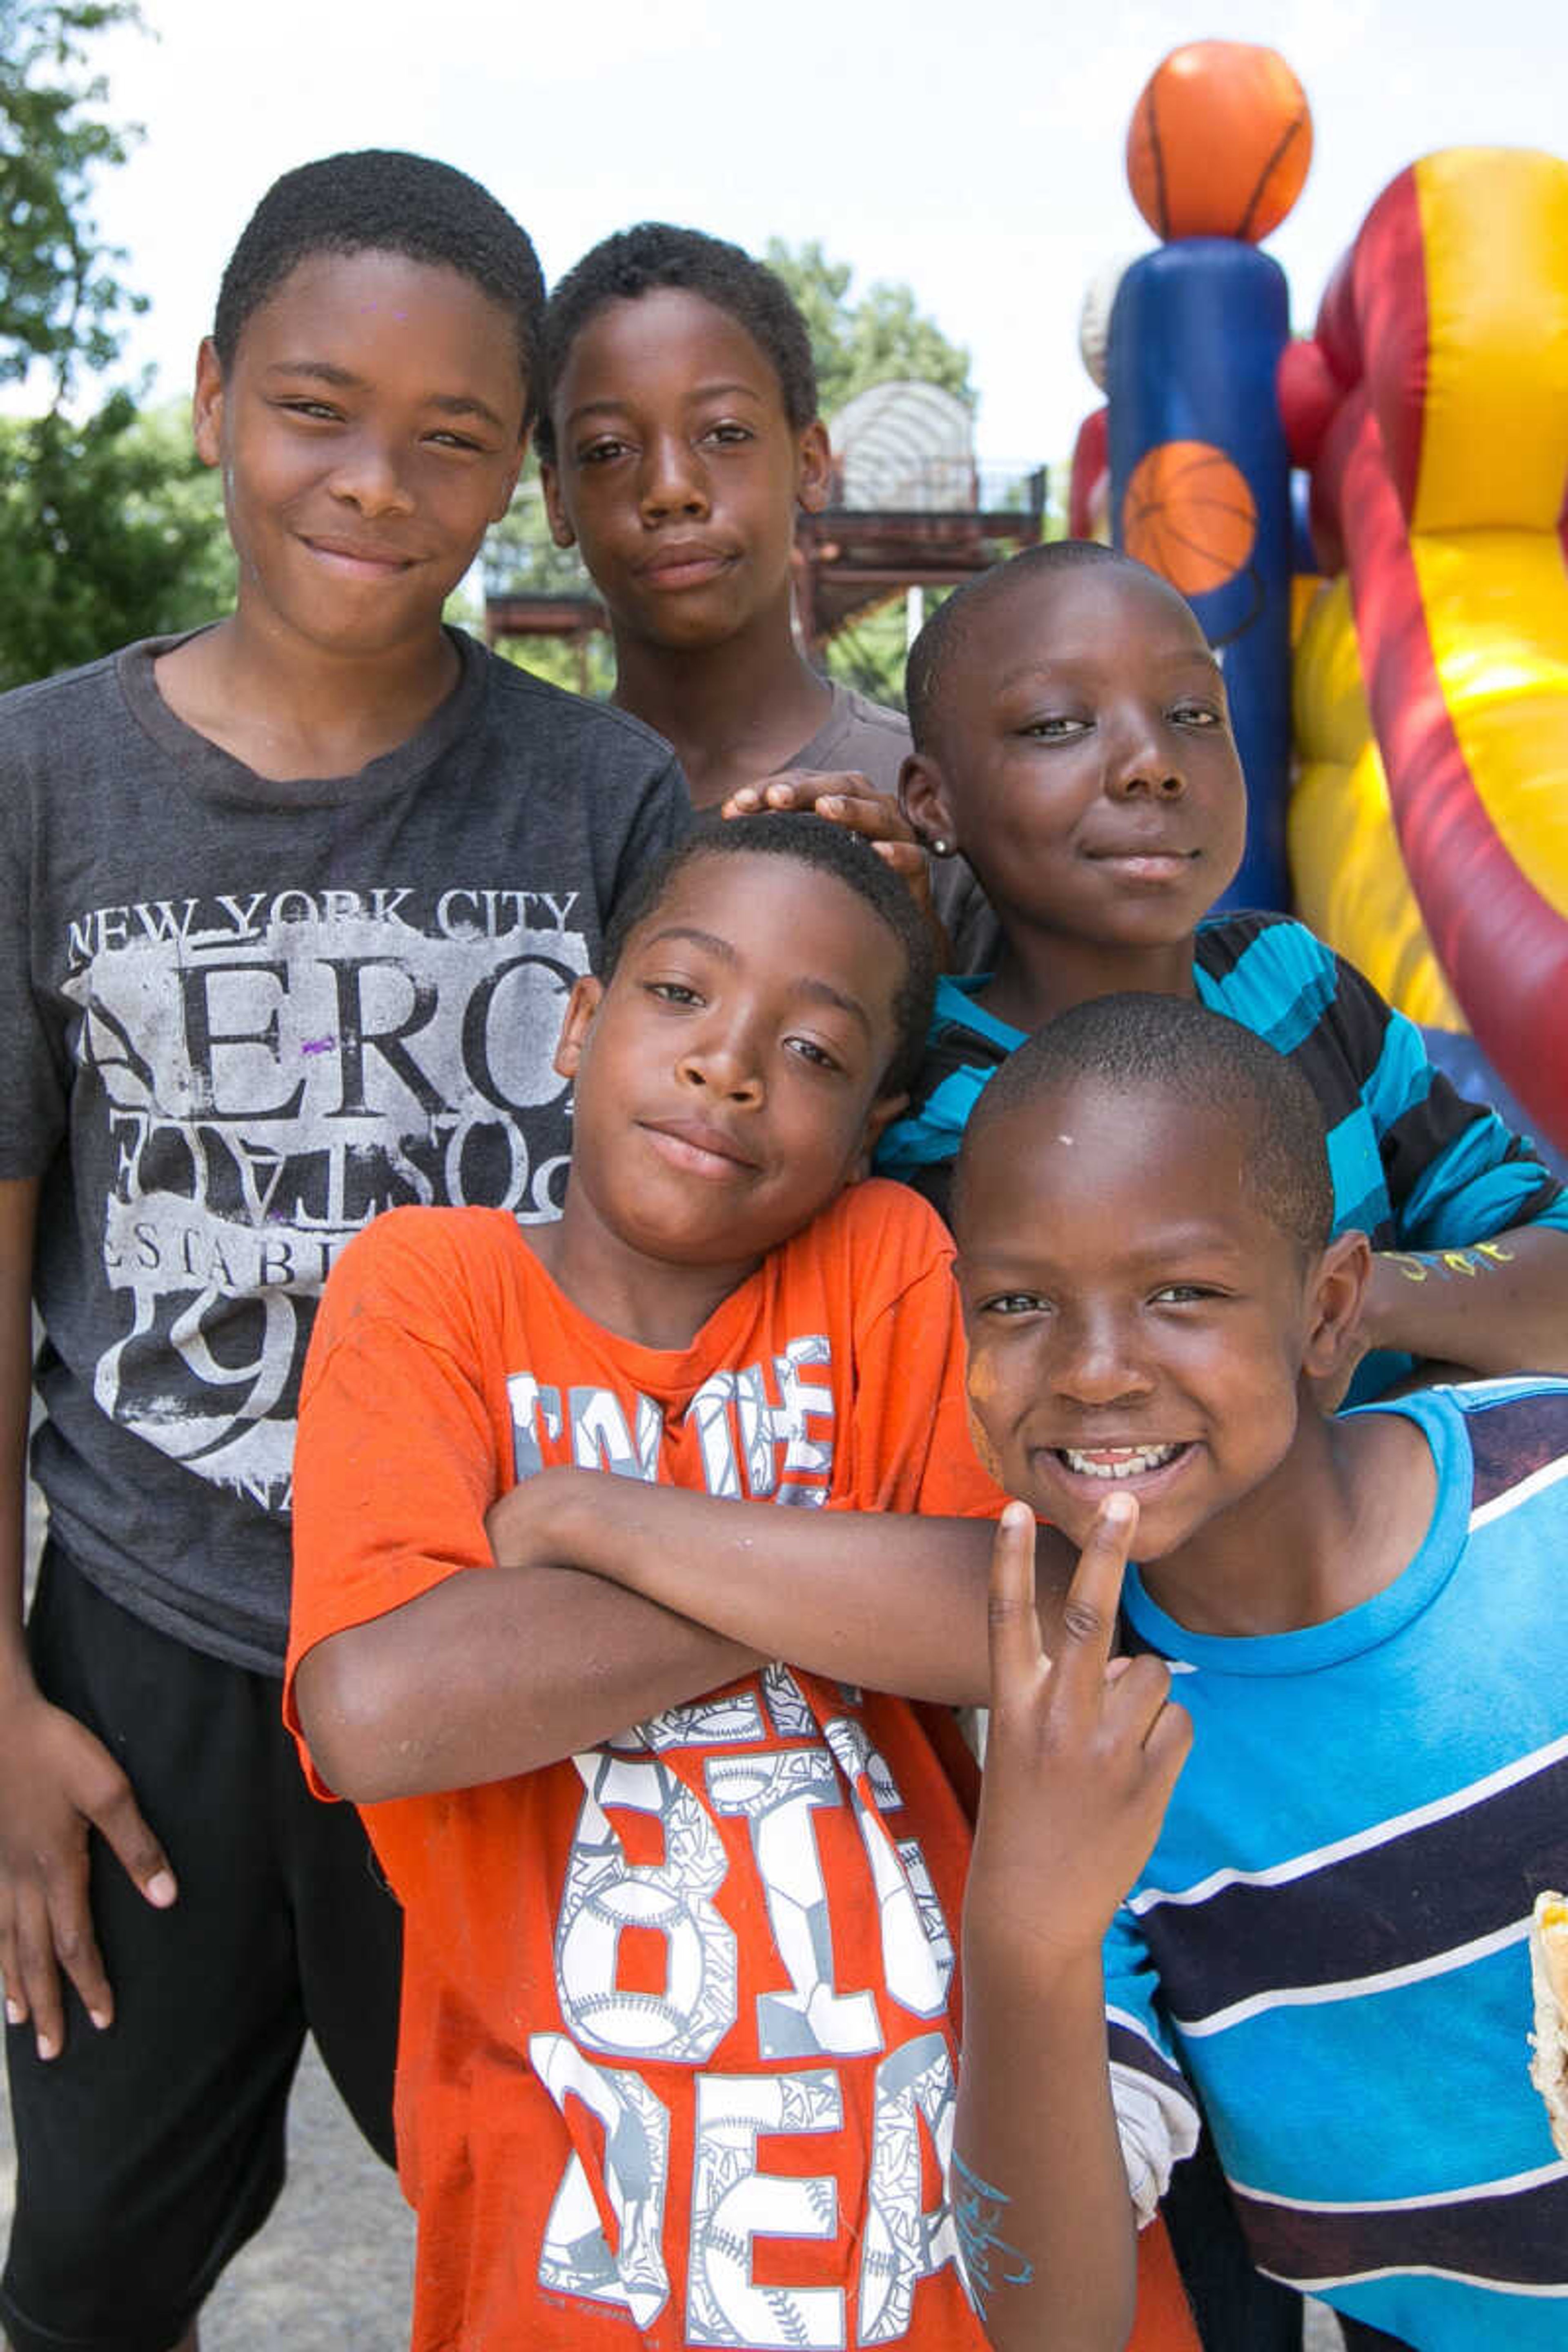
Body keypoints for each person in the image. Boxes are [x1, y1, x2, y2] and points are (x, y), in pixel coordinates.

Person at [0, 149, 688, 2352]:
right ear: (211, 396)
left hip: (498, 1645)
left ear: (521, 481)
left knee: (562, 2231)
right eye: (315, 405)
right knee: (94, 2260)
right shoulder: (38, 784)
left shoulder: (601, 801)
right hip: (147, 1649)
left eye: (457, 436)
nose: (377, 480)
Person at [286, 815, 1200, 2352]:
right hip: (582, 2239)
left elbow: (1023, 1614)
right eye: (682, 998)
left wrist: (594, 1517)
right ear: (582, 1022)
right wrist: (821, 1569)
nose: (731, 1067)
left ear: (875, 1122)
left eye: (818, 1054)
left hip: (955, 2219)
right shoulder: (428, 1283)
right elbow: (381, 1706)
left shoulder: (883, 1256)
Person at [948, 990, 1568, 2352]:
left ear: (1331, 1309)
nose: (1097, 1373)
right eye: (1017, 1303)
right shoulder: (1086, 1753)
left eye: (1181, 1294)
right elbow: (1049, 2323)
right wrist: (1029, 1933)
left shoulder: (1550, 1498)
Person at [878, 539, 1568, 1402]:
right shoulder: (940, 1099)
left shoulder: (1293, 984)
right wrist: (1436, 1328)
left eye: (1193, 714)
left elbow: (1554, 1267)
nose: (1153, 766)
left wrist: (1363, 1301)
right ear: (933, 803)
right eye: (1058, 725)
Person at [532, 221, 991, 961]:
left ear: (810, 463)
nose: (671, 489)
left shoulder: (934, 802)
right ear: (557, 499)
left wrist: (917, 971)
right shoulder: (507, 814)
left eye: (724, 434)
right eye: (609, 450)